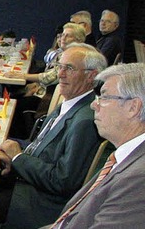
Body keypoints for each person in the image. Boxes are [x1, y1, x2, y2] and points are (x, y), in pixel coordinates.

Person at [0, 43, 107, 228]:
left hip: (39, 202)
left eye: (69, 68)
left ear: (91, 76)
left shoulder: (85, 120)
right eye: (60, 66)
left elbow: (63, 181)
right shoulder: (70, 103)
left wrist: (18, 157)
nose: (60, 73)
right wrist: (10, 152)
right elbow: (40, 147)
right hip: (28, 183)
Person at [48, 63, 145, 228]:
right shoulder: (125, 156)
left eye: (105, 97)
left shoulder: (138, 179)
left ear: (133, 107)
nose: (94, 104)